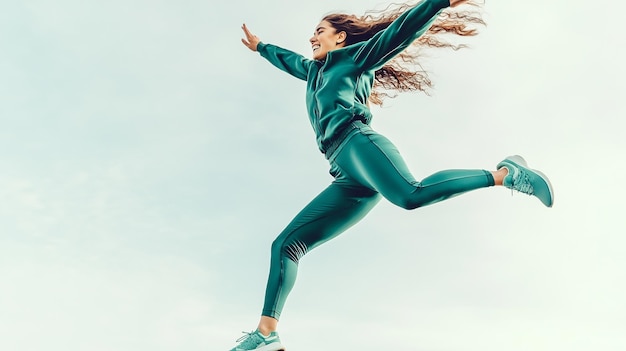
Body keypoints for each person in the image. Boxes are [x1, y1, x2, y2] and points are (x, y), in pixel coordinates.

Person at [232, 0, 554, 350]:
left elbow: (398, 33)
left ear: (340, 38)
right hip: (346, 173)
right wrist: (261, 47)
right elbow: (288, 60)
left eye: (319, 31)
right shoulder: (313, 72)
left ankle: (506, 174)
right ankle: (267, 334)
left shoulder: (352, 58)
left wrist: (440, 2)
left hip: (357, 143)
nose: (312, 37)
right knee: (286, 246)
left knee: (410, 195)